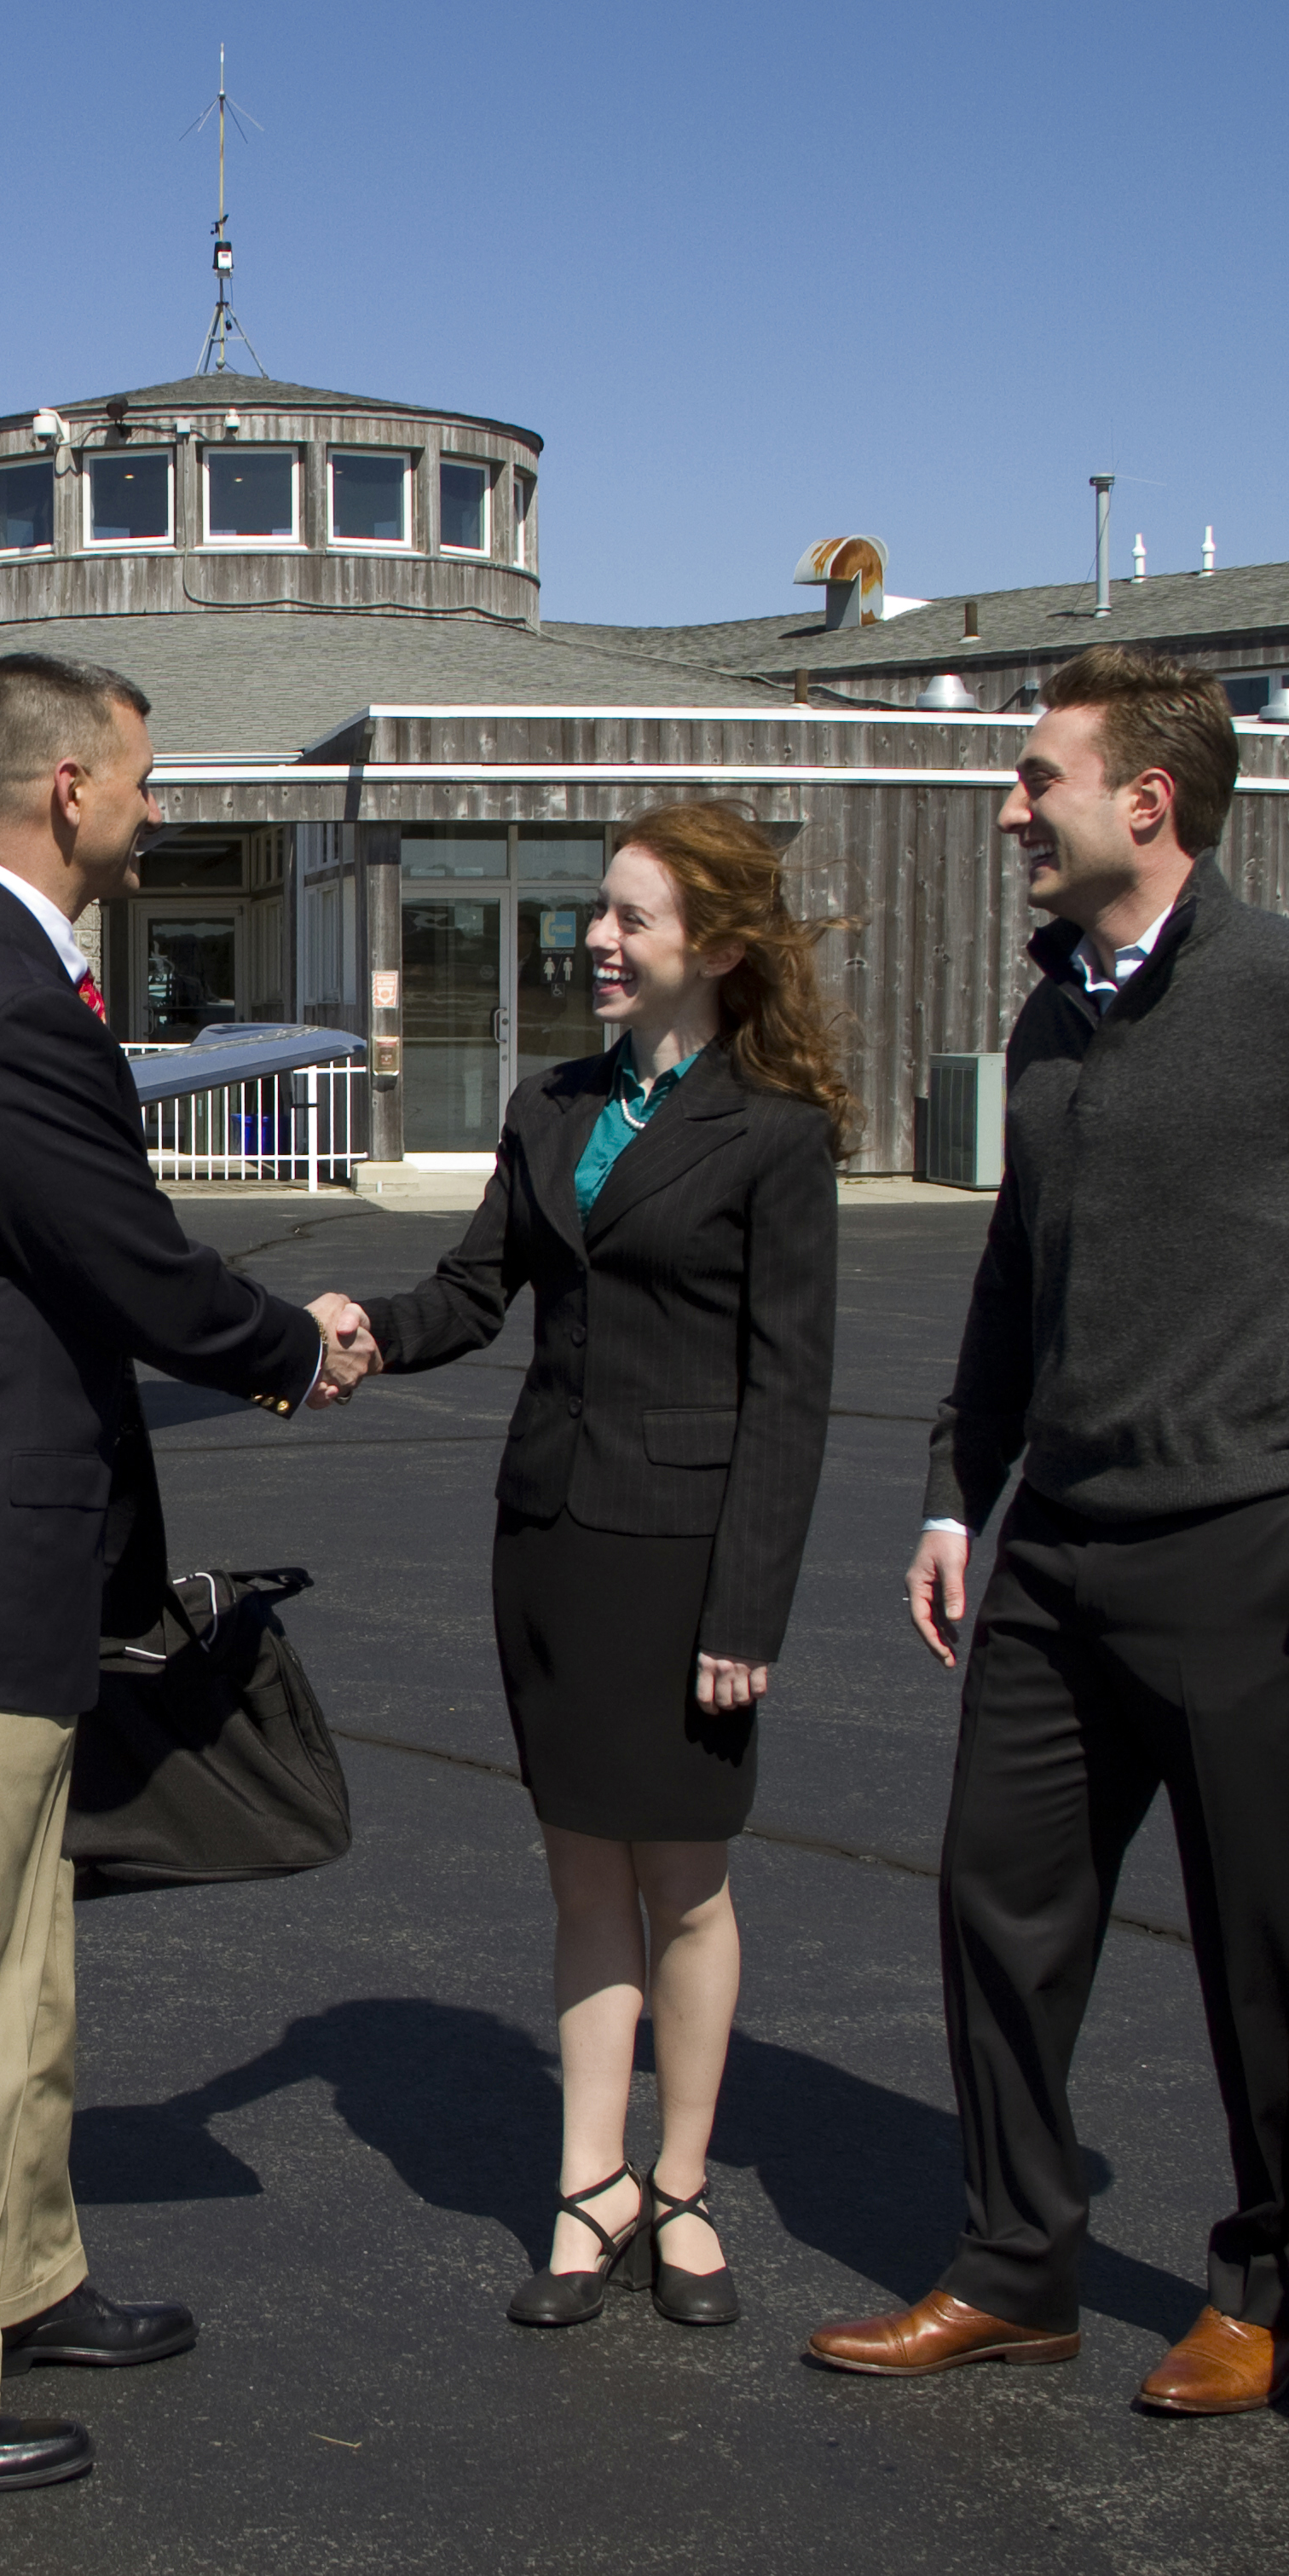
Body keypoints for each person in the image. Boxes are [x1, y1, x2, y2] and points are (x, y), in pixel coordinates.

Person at [805, 643, 1289, 2413]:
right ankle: (1017, 2268)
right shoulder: (1055, 1011)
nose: (1012, 810)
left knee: (1261, 1937)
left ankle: (1280, 2283)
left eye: (1037, 781)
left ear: (1146, 801)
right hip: (1061, 1546)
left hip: (1263, 1545)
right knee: (997, 1907)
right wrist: (953, 1491)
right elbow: (1018, 1280)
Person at [0, 649, 360, 2495]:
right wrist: (286, 1342)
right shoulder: (2, 998)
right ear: (69, 795)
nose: (159, 810)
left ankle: (15, 2282)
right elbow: (120, 1255)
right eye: (142, 777)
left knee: (15, 1966)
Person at [315, 806, 846, 2332]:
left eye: (632, 920)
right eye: (595, 914)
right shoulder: (549, 1105)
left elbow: (788, 1390)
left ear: (719, 949)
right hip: (550, 1545)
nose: (597, 942)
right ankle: (586, 2179)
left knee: (684, 1877)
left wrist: (752, 1607)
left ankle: (680, 2181)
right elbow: (477, 1291)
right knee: (580, 1871)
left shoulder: (777, 1131)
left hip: (690, 1562)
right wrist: (364, 1334)